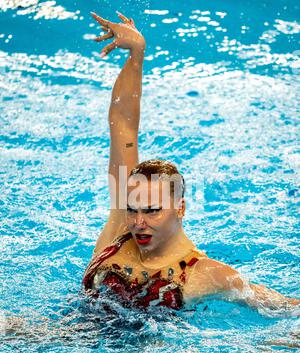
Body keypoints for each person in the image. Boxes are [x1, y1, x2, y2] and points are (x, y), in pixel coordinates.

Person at [83, 11, 299, 312]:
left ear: (180, 208)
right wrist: (136, 54)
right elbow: (122, 124)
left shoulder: (205, 274)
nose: (138, 222)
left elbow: (286, 308)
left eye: (152, 211)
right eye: (132, 208)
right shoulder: (120, 227)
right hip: (67, 335)